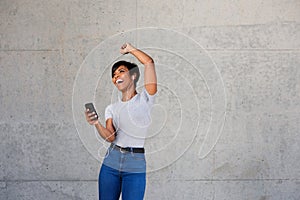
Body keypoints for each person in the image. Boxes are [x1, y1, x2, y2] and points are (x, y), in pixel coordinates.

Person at [85, 43, 157, 200]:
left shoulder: (145, 99)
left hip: (135, 162)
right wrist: (96, 123)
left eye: (121, 71)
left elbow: (149, 63)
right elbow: (111, 137)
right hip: (111, 160)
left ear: (133, 76)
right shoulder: (112, 108)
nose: (116, 76)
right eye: (114, 74)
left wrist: (131, 49)